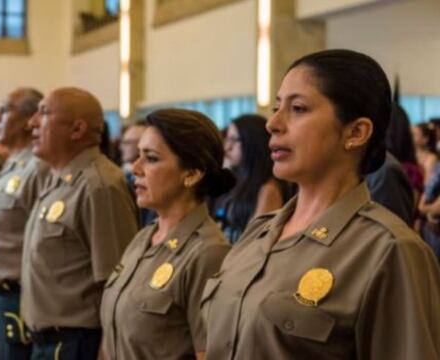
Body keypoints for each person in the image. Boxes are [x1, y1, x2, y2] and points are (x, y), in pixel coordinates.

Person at [202, 49, 440, 359]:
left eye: (298, 108)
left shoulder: (388, 249)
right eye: (276, 108)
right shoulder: (259, 232)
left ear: (356, 132)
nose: (272, 123)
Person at [100, 109, 234, 359]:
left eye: (150, 158)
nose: (136, 167)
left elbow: (208, 352)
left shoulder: (208, 253)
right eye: (138, 155)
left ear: (191, 173)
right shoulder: (144, 238)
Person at [20, 87, 138, 360]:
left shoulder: (100, 185)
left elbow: (116, 279)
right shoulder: (59, 177)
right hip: (49, 338)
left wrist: (108, 345)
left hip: (76, 342)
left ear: (77, 130)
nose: (32, 123)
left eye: (44, 113)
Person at [0, 88, 46, 360]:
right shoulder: (13, 163)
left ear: (30, 119)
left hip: (19, 292)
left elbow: (40, 241)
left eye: (5, 110)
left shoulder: (36, 168)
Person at [213, 114, 286, 243]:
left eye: (234, 140)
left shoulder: (268, 188)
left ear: (252, 143)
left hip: (242, 258)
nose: (227, 147)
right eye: (227, 139)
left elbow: (255, 240)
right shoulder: (234, 180)